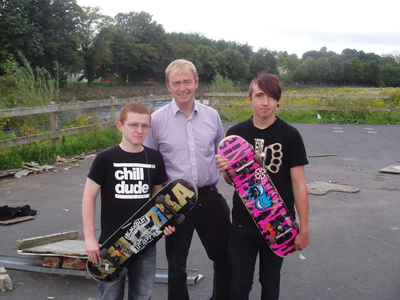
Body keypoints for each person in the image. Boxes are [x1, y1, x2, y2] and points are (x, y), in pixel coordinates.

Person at [215, 72, 310, 300]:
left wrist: (304, 229)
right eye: (259, 95)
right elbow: (232, 181)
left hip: (279, 222)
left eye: (270, 96)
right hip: (243, 224)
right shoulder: (236, 134)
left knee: (270, 284)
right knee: (239, 286)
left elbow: (299, 185)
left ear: (279, 99)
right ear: (249, 99)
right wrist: (225, 170)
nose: (265, 102)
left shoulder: (290, 136)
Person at [144, 59, 231, 300]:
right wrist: (157, 208)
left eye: (187, 82)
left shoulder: (212, 116)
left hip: (210, 196)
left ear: (196, 83)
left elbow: (221, 154)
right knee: (176, 265)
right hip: (175, 202)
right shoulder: (157, 120)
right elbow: (151, 167)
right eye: (176, 83)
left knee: (224, 257)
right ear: (168, 86)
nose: (182, 87)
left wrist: (229, 171)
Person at [82, 102, 173, 300]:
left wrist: (164, 224)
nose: (139, 130)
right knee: (110, 295)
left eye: (144, 126)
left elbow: (158, 201)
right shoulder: (105, 159)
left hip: (145, 242)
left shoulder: (155, 158)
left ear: (150, 127)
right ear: (120, 125)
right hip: (111, 245)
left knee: (142, 295)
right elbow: (89, 197)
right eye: (133, 125)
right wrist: (89, 238)